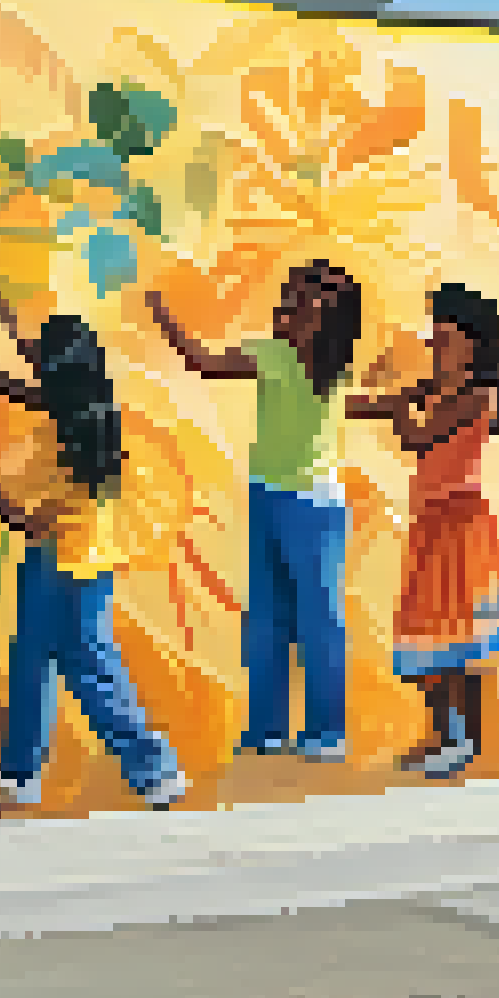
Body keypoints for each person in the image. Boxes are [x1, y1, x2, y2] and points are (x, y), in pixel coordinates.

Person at [0, 299, 188, 811]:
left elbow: (33, 518)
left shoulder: (58, 433)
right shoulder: (96, 414)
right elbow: (30, 383)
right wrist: (4, 328)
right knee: (37, 660)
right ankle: (19, 772)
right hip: (86, 559)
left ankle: (156, 768)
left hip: (58, 559)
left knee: (86, 667)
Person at [145, 263, 363, 763]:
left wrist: (162, 312)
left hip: (314, 505)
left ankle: (327, 731)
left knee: (318, 621)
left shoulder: (327, 363)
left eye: (306, 303)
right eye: (289, 299)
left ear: (328, 318)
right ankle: (267, 728)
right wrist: (165, 318)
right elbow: (202, 362)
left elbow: (203, 361)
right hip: (267, 495)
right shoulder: (276, 352)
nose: (291, 310)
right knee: (267, 618)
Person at [348, 284, 499, 780]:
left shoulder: (474, 395)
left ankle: (459, 737)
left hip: (456, 524)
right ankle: (451, 735)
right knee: (442, 639)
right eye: (434, 341)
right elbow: (379, 407)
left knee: (447, 639)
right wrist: (365, 395)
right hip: (435, 521)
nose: (435, 349)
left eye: (445, 340)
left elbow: (418, 437)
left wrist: (400, 406)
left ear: (472, 344)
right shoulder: (440, 390)